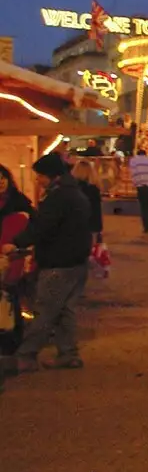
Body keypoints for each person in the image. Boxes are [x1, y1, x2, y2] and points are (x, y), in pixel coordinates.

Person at [3, 155, 92, 372]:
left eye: (41, 176)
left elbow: (42, 227)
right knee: (65, 310)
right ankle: (68, 353)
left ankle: (26, 356)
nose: (38, 180)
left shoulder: (58, 197)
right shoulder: (75, 193)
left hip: (58, 263)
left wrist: (15, 243)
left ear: (53, 176)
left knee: (45, 310)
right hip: (77, 262)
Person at [0, 166, 35, 354]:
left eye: (3, 177)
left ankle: (11, 340)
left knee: (11, 298)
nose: (0, 182)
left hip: (13, 257)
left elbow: (34, 226)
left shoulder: (19, 201)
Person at [127, 147, 148, 235]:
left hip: (140, 185)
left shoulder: (134, 160)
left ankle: (145, 225)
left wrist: (136, 183)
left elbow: (133, 173)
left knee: (143, 206)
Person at [71, 161, 103, 246]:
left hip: (72, 227)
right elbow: (96, 211)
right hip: (90, 226)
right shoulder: (94, 189)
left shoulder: (71, 189)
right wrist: (97, 229)